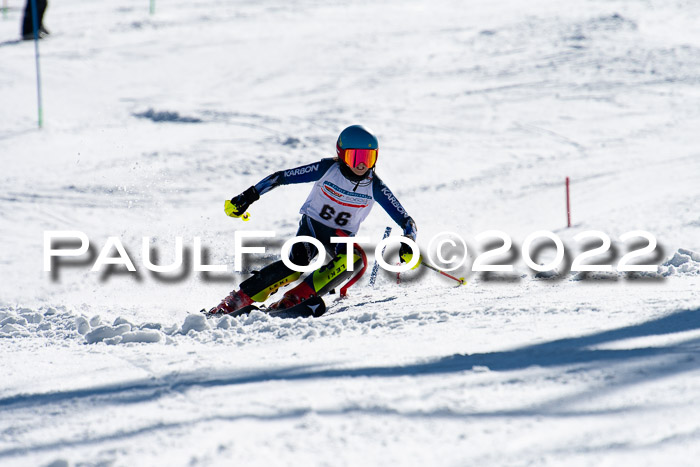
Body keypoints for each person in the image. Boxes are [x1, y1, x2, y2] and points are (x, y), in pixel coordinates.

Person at [208, 125, 419, 314]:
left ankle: (296, 298)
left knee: (353, 260)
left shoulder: (375, 186)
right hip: (312, 228)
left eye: (368, 158)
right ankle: (237, 300)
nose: (362, 165)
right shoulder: (327, 169)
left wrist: (408, 240)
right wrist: (249, 196)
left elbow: (407, 220)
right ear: (342, 155)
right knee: (296, 264)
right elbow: (281, 177)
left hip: (340, 238)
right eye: (356, 158)